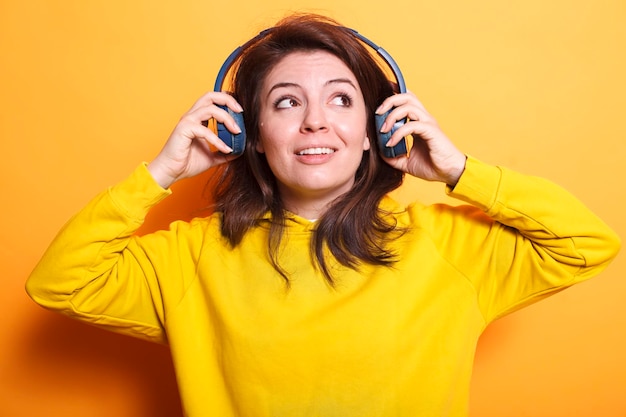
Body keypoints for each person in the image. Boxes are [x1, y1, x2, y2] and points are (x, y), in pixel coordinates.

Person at [26, 12, 620, 417]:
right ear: (249, 134)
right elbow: (58, 283)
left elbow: (587, 243)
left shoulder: (451, 249)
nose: (315, 122)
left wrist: (461, 172)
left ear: (376, 130)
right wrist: (160, 175)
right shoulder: (190, 256)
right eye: (286, 102)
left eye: (341, 99)